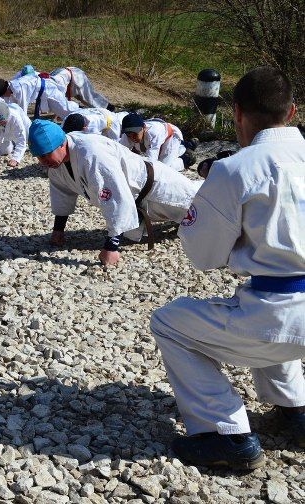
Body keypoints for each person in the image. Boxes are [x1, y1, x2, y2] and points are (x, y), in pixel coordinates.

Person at [150, 67, 304, 469]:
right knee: (267, 297)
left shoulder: (236, 169)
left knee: (170, 321)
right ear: (291, 112)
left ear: (235, 113)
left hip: (279, 314)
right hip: (292, 316)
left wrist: (240, 240)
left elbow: (204, 256)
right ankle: (297, 410)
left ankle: (227, 434)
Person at [28, 119, 202, 266]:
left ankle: (220, 177)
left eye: (45, 155)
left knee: (201, 205)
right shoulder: (57, 164)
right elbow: (62, 191)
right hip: (138, 197)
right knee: (185, 218)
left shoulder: (91, 153)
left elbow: (114, 196)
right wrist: (59, 230)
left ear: (61, 143)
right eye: (39, 157)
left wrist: (111, 247)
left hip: (156, 186)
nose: (42, 162)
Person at [120, 113, 197, 171]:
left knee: (163, 169)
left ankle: (185, 158)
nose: (132, 137)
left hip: (171, 136)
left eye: (134, 134)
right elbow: (119, 151)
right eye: (129, 135)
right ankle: (187, 145)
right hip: (151, 139)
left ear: (144, 127)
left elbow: (151, 162)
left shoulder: (154, 133)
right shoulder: (127, 134)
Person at [0, 74, 79, 120]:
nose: (4, 97)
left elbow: (22, 111)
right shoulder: (9, 89)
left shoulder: (19, 88)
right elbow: (9, 106)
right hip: (41, 95)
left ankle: (86, 112)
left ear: (5, 90)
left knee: (66, 111)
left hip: (49, 90)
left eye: (3, 95)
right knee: (62, 113)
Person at [0, 101, 30, 168]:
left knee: (31, 140)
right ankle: (11, 144)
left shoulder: (15, 116)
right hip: (2, 130)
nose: (1, 124)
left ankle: (17, 145)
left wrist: (16, 158)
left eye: (3, 122)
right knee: (5, 151)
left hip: (21, 123)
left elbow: (21, 138)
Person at [48, 66, 114, 110]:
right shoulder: (48, 85)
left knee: (89, 98)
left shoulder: (55, 83)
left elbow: (60, 100)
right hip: (67, 77)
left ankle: (107, 107)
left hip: (76, 76)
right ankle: (79, 108)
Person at [61, 108, 131, 141]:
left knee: (115, 144)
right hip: (98, 111)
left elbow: (97, 141)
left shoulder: (91, 129)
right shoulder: (68, 117)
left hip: (111, 122)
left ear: (84, 128)